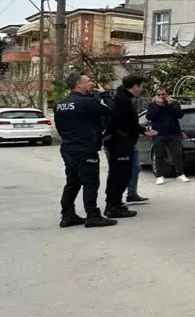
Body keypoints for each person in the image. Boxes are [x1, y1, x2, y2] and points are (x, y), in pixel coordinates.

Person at [54, 73, 116, 228]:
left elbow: (59, 126)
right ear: (78, 84)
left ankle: (67, 215)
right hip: (85, 148)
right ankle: (93, 215)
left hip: (68, 147)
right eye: (88, 81)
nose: (92, 83)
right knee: (91, 182)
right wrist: (104, 95)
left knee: (72, 182)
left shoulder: (60, 104)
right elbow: (111, 110)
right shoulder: (85, 102)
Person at [102, 74, 145, 219]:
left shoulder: (124, 98)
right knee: (119, 175)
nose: (141, 89)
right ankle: (113, 207)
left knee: (122, 174)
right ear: (135, 86)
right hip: (119, 143)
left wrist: (142, 130)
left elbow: (129, 122)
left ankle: (115, 203)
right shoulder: (122, 100)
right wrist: (125, 136)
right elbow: (120, 122)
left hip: (121, 141)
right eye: (140, 86)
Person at [146, 87, 189, 184]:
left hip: (173, 133)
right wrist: (158, 105)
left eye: (163, 94)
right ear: (156, 95)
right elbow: (149, 116)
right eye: (159, 95)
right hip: (158, 134)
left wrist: (170, 105)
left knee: (177, 155)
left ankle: (180, 174)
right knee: (159, 155)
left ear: (167, 94)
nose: (161, 96)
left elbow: (180, 115)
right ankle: (159, 176)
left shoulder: (174, 103)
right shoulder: (152, 105)